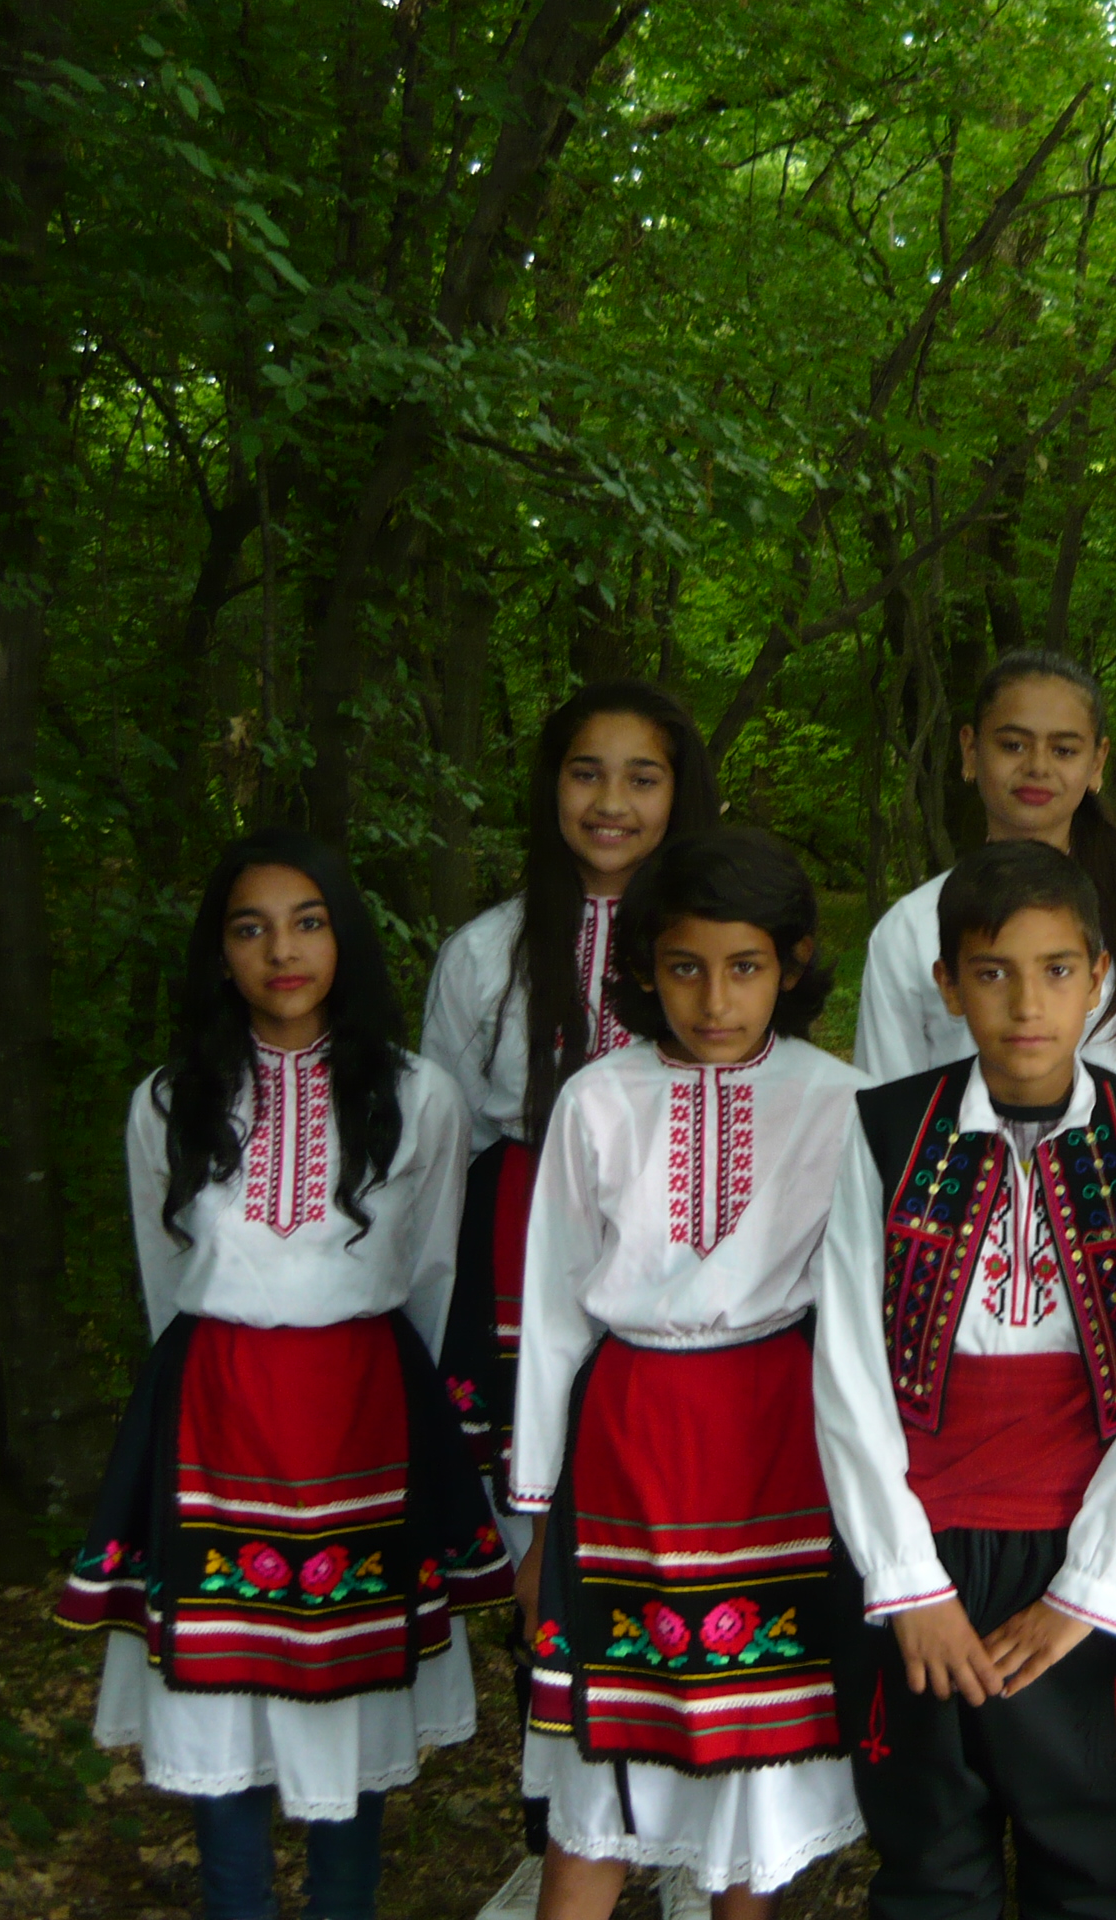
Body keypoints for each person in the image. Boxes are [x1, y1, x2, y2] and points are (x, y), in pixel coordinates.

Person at [55, 828, 509, 1920]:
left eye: (308, 922)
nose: (282, 951)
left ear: (344, 937)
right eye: (250, 929)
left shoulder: (419, 1097)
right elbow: (165, 1278)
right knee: (218, 1687)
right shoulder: (168, 1100)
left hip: (363, 1417)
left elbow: (433, 1272)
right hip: (214, 1414)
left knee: (349, 1693)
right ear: (220, 954)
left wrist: (399, 1405)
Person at [814, 838, 1116, 1920]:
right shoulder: (886, 1131)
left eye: (1055, 970)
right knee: (928, 1868)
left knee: (1089, 1867)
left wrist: (1093, 1590)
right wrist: (905, 1582)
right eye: (991, 973)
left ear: (1099, 979)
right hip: (920, 1545)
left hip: (1082, 1551)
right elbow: (847, 1366)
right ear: (947, 985)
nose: (1025, 1004)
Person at [510, 829, 867, 1920]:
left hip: (776, 1441)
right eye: (685, 967)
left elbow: (864, 1312)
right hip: (628, 1438)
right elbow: (552, 1314)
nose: (715, 999)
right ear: (643, 968)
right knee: (602, 1753)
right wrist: (535, 1515)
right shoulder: (597, 1099)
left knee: (754, 1761)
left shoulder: (843, 1099)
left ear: (792, 965)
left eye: (744, 966)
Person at [420, 681, 722, 1920]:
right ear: (550, 788)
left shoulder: (710, 944)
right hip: (515, 1261)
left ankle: (689, 1838)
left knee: (674, 1538)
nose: (611, 801)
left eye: (642, 776)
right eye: (586, 773)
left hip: (677, 1260)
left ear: (680, 794)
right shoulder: (485, 952)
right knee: (538, 1549)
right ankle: (556, 1831)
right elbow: (440, 1139)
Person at [855, 651, 1116, 1127]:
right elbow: (885, 1119)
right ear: (970, 749)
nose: (1038, 767)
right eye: (1013, 745)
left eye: (1064, 750)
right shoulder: (910, 929)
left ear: (1097, 762)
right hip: (948, 1173)